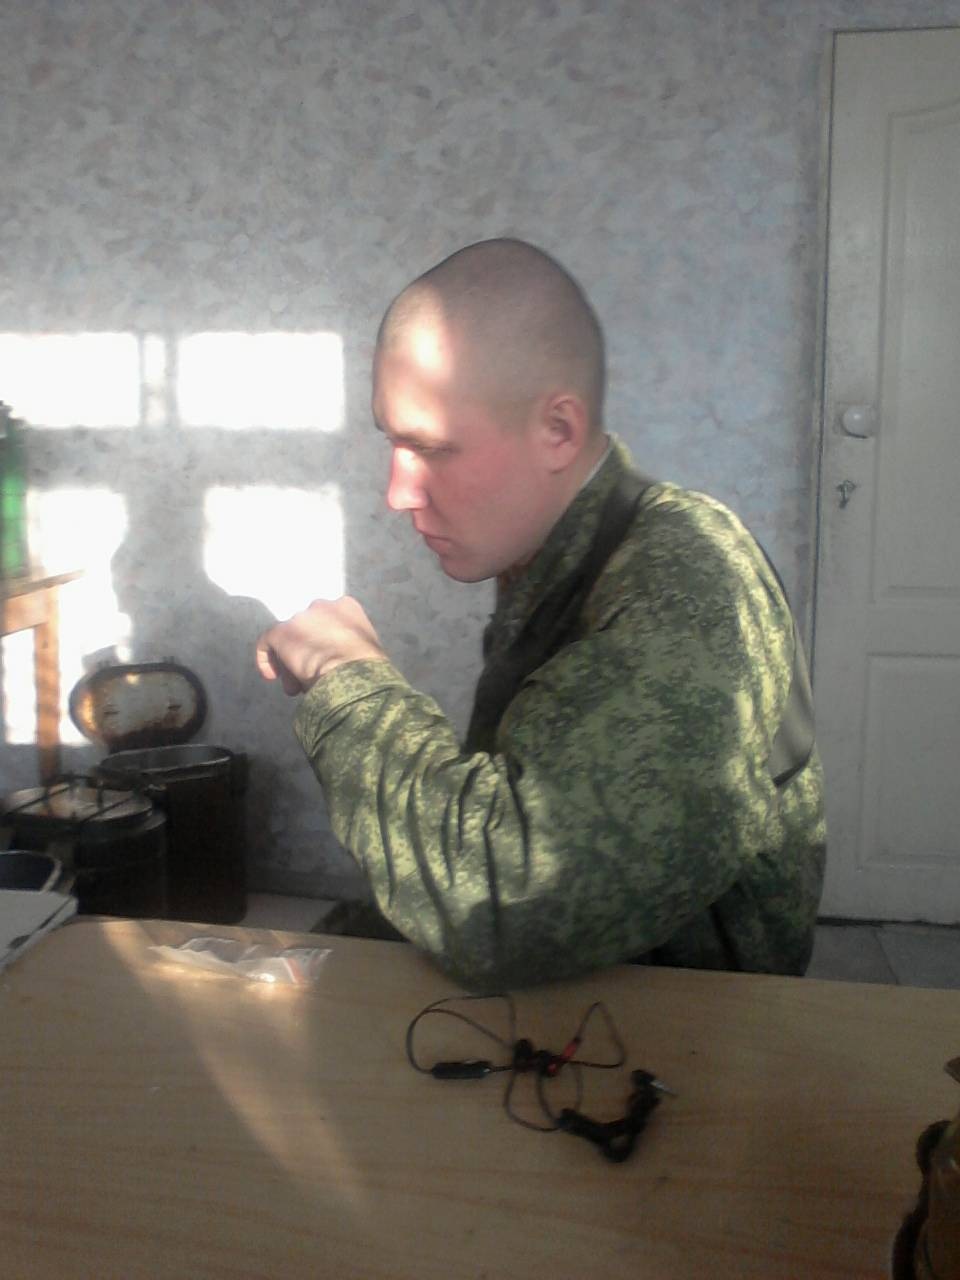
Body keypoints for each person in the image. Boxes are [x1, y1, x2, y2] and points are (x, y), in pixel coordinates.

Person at [255, 238, 826, 990]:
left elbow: (509, 903)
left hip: (686, 1028)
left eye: (433, 448)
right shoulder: (560, 550)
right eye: (394, 442)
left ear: (557, 431)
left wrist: (346, 676)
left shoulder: (687, 578)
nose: (397, 493)